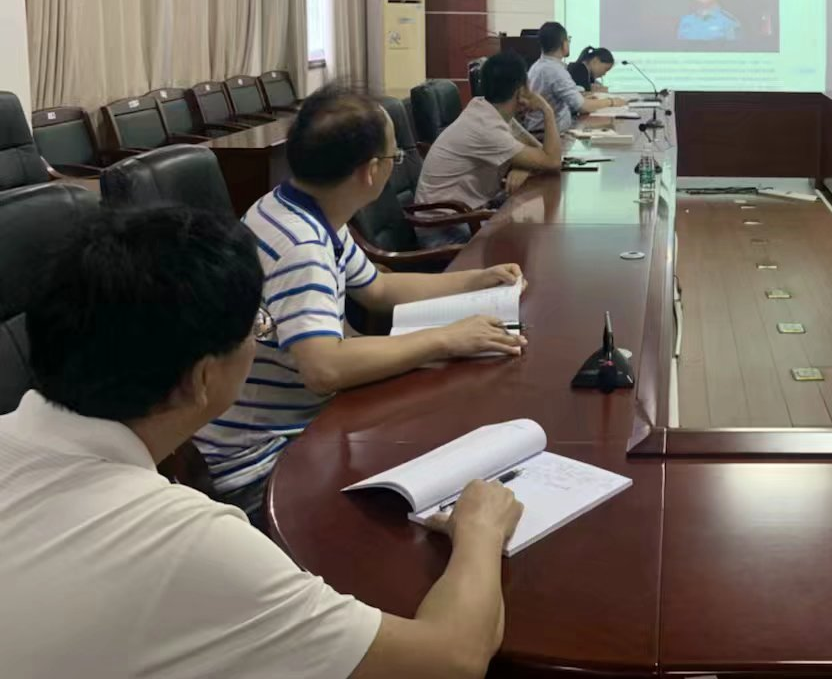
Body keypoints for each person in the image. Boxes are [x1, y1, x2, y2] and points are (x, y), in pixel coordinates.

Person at [0, 205, 523, 678]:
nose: (261, 336)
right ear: (202, 378)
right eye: (258, 325)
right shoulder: (189, 542)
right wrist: (480, 529)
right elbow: (451, 659)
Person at [195, 85, 528, 516]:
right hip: (262, 464)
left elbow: (378, 290)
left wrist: (476, 280)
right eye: (395, 156)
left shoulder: (298, 209)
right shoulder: (302, 246)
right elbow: (324, 368)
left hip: (300, 428)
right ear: (371, 171)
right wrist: (446, 339)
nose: (395, 163)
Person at [415, 52, 565, 247]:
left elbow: (542, 156)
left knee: (531, 233)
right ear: (521, 91)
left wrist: (524, 166)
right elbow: (552, 161)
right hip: (443, 229)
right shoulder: (486, 127)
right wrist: (547, 110)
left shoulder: (487, 111)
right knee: (533, 240)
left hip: (464, 215)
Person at [521, 21, 623, 133]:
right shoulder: (555, 71)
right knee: (610, 129)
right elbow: (582, 106)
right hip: (548, 134)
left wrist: (580, 97)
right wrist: (611, 101)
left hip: (544, 129)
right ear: (564, 44)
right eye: (568, 40)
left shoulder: (538, 66)